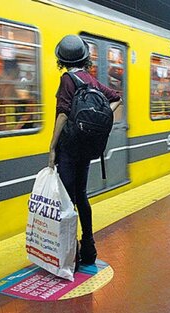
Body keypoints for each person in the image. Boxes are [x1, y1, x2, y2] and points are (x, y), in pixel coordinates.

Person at [48, 35, 122, 266]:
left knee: (68, 202)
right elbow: (116, 99)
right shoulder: (90, 80)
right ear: (85, 58)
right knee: (81, 196)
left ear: (61, 59)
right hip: (86, 148)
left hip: (69, 150)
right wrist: (100, 119)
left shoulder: (67, 80)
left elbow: (62, 113)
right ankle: (89, 249)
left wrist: (52, 147)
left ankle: (72, 255)